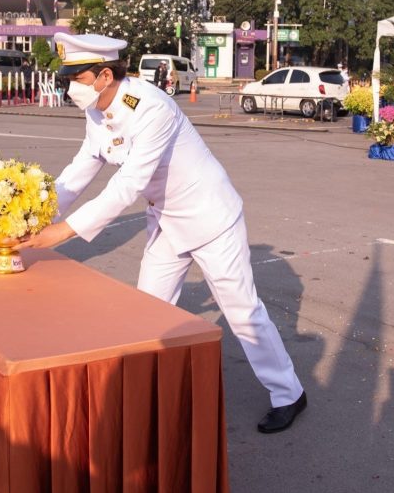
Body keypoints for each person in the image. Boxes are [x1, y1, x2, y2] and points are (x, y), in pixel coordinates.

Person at [18, 32, 307, 433]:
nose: (70, 88)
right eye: (67, 79)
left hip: (209, 217)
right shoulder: (97, 109)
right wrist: (38, 214)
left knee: (243, 313)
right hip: (166, 219)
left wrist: (62, 232)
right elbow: (82, 167)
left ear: (105, 75)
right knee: (148, 310)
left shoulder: (151, 107)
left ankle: (288, 393)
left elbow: (128, 185)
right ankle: (145, 397)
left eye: (77, 79)